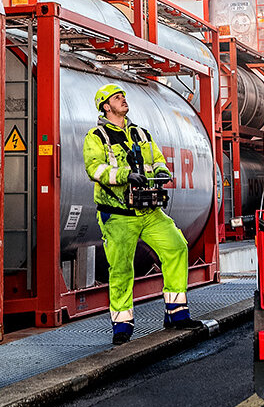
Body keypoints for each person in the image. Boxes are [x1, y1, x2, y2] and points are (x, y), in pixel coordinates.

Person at [83, 83, 201, 344]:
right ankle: (122, 326)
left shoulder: (141, 134)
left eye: (123, 96)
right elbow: (95, 169)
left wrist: (160, 171)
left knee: (177, 246)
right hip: (117, 215)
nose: (123, 100)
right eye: (117, 97)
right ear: (105, 106)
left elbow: (157, 157)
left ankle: (176, 313)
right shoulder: (96, 137)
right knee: (121, 268)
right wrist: (126, 175)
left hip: (149, 210)